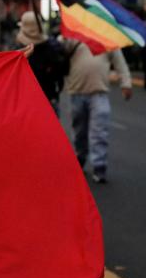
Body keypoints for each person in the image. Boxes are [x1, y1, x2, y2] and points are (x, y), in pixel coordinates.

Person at [65, 40, 132, 184]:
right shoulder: (75, 37)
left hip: (99, 93)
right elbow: (62, 51)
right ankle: (80, 156)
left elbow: (120, 63)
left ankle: (99, 166)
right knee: (79, 130)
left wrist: (126, 83)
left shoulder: (107, 40)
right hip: (77, 92)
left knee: (100, 130)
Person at [16, 11, 66, 114]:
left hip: (26, 103)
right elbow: (61, 72)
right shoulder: (52, 49)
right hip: (49, 98)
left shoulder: (19, 53)